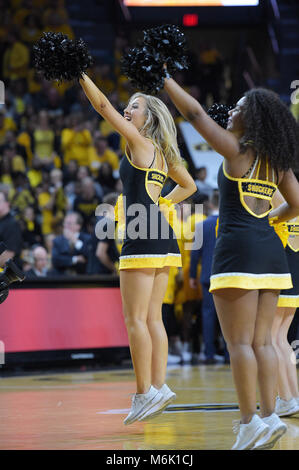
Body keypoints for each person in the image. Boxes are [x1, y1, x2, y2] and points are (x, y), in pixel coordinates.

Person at [163, 73, 299, 449]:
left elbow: (193, 114)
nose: (231, 110)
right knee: (263, 344)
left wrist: (164, 78)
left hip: (237, 251)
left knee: (239, 345)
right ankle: (269, 417)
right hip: (272, 255)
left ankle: (248, 422)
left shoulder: (237, 150)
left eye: (239, 107)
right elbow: (298, 204)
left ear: (252, 118)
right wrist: (271, 220)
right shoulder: (278, 162)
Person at [79, 72, 196, 425]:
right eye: (128, 105)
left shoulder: (140, 143)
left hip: (141, 239)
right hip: (162, 237)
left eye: (134, 106)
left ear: (149, 118)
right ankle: (158, 387)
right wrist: (161, 205)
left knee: (134, 319)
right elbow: (188, 186)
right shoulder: (161, 153)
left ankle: (144, 392)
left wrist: (79, 75)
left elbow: (102, 106)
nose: (127, 110)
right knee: (152, 318)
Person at [190, 190, 229, 364]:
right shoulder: (230, 223)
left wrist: (192, 276)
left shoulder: (201, 225)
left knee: (208, 315)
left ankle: (209, 354)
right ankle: (230, 354)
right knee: (230, 317)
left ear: (211, 204)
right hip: (229, 276)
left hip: (207, 275)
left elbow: (194, 254)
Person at [271, 191, 299, 418]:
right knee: (282, 339)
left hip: (282, 273)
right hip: (295, 278)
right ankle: (291, 397)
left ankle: (286, 398)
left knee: (271, 338)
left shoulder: (277, 195)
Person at [51, 212, 91, 276]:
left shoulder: (87, 239)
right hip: (62, 278)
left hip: (83, 277)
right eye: (65, 223)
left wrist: (76, 242)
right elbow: (55, 260)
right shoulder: (57, 240)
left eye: (69, 223)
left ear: (78, 226)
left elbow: (90, 256)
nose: (66, 226)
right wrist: (75, 259)